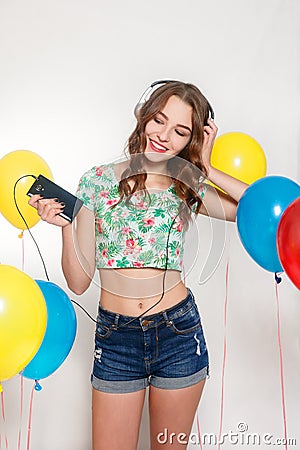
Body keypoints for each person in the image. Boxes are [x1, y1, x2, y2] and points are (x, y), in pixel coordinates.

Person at [29, 80, 248, 450]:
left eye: (180, 131)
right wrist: (66, 228)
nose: (163, 136)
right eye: (158, 121)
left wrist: (207, 168)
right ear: (143, 116)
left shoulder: (187, 184)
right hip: (117, 340)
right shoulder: (97, 181)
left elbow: (252, 210)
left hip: (178, 334)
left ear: (191, 141)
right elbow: (79, 282)